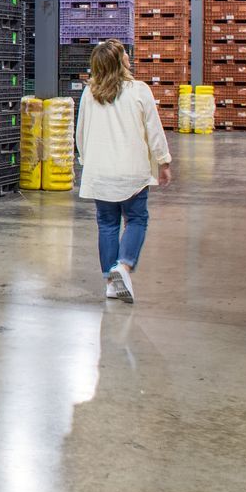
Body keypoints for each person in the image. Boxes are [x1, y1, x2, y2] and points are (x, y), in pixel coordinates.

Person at [73, 38, 172, 304]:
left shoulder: (89, 93)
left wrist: (86, 160)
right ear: (119, 62)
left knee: (106, 224)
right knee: (136, 220)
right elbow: (154, 130)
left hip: (100, 171)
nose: (129, 57)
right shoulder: (139, 90)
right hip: (131, 171)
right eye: (125, 54)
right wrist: (163, 161)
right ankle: (124, 267)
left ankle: (110, 282)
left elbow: (80, 134)